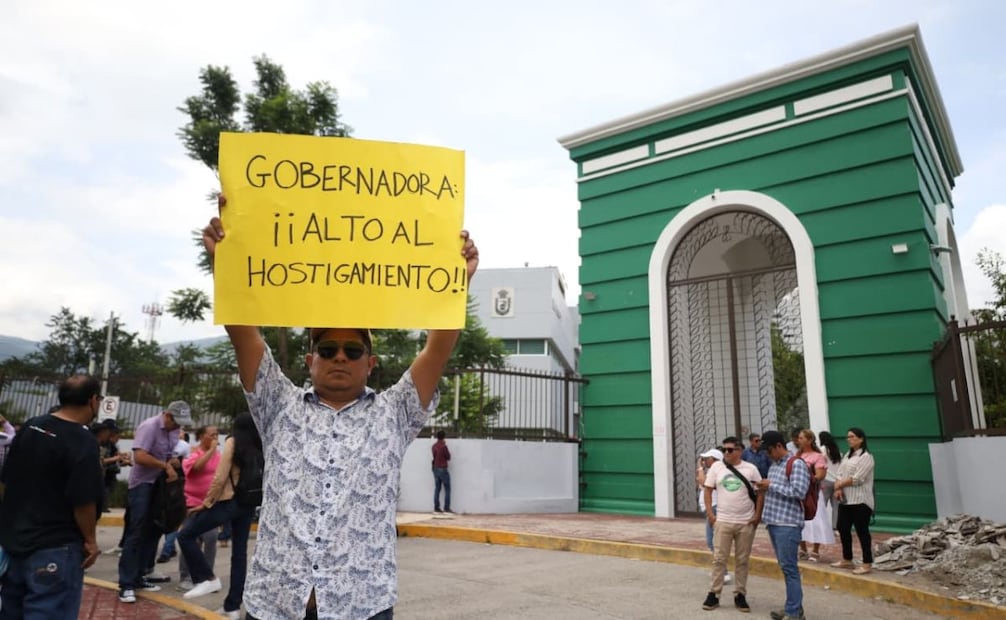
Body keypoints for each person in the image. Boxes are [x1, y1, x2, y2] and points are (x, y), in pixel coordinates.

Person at [201, 200, 480, 619]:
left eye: (353, 350)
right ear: (310, 359)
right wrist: (226, 263)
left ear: (370, 363)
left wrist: (455, 283)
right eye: (328, 348)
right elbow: (244, 333)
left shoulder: (395, 412)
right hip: (274, 605)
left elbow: (437, 349)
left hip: (362, 607)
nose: (340, 357)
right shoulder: (278, 405)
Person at [0, 375, 103, 618]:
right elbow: (83, 501)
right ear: (92, 400)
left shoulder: (31, 426)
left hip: (15, 541)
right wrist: (90, 541)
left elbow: (5, 482)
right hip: (55, 546)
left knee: (12, 610)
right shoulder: (83, 441)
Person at [179, 414, 262, 620]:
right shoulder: (260, 443)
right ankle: (232, 606)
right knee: (239, 554)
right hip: (248, 503)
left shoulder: (233, 442)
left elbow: (220, 476)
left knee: (185, 535)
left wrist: (206, 503)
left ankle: (206, 578)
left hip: (229, 502)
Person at [117, 401, 193, 604]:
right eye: (176, 421)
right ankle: (126, 584)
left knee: (153, 530)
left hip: (160, 486)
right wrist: (164, 465)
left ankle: (140, 575)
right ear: (167, 415)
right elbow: (140, 456)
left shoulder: (174, 431)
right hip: (142, 485)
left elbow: (169, 456)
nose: (178, 426)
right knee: (136, 531)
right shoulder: (149, 427)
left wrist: (173, 462)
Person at [701, 436, 763, 613]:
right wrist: (711, 514)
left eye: (730, 450)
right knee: (719, 559)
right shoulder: (716, 467)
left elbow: (760, 493)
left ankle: (740, 594)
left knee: (742, 560)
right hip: (723, 521)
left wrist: (757, 515)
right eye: (724, 450)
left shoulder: (751, 469)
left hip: (745, 522)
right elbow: (707, 490)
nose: (726, 453)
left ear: (739, 451)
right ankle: (714, 593)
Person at [757, 430, 810, 620]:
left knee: (790, 569)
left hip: (788, 524)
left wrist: (771, 485)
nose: (767, 454)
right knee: (786, 567)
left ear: (779, 446)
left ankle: (793, 612)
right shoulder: (774, 466)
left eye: (769, 450)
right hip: (773, 522)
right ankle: (793, 608)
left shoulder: (796, 464)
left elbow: (799, 491)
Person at [175, 425, 221, 591]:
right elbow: (196, 468)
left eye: (216, 435)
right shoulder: (193, 453)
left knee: (211, 539)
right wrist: (210, 451)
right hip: (192, 504)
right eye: (211, 435)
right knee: (190, 539)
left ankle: (207, 577)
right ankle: (186, 576)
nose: (215, 438)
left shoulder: (219, 456)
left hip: (210, 505)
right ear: (201, 436)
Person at [832, 427, 876, 575]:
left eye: (852, 436)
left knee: (862, 531)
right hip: (846, 500)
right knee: (842, 528)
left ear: (861, 439)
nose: (849, 439)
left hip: (860, 500)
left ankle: (867, 563)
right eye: (848, 437)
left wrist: (839, 484)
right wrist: (838, 488)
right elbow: (839, 473)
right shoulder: (847, 455)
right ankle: (847, 559)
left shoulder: (866, 457)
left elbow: (858, 478)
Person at [795, 429, 832, 562]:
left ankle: (815, 550)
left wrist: (807, 478)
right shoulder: (797, 455)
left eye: (802, 438)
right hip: (799, 492)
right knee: (799, 520)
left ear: (810, 440)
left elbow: (820, 475)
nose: (799, 440)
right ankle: (803, 548)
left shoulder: (817, 456)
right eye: (799, 438)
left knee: (817, 520)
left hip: (812, 492)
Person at [696, 447, 731, 585]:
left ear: (715, 460)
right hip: (711, 509)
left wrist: (700, 468)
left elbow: (703, 483)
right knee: (714, 542)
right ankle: (720, 570)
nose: (704, 461)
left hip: (715, 509)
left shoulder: (718, 471)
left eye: (707, 459)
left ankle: (723, 572)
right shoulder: (712, 471)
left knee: (713, 542)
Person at [818, 431, 842, 531]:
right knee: (836, 506)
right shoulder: (838, 451)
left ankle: (821, 527)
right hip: (837, 482)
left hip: (825, 480)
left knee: (822, 505)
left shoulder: (822, 450)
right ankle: (835, 528)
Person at [432, 430, 452, 513]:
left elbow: (434, 456)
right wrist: (444, 445)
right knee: (447, 489)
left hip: (435, 468)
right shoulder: (443, 446)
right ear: (444, 437)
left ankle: (436, 507)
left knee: (437, 488)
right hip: (443, 468)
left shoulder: (434, 446)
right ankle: (446, 508)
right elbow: (448, 457)